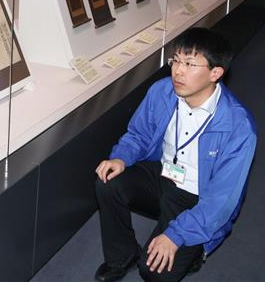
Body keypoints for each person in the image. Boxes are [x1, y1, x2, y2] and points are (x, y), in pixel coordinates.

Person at [93, 27, 256, 282]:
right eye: (176, 60)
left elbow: (221, 200)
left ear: (215, 73)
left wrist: (175, 236)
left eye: (189, 64)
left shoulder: (238, 127)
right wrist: (121, 158)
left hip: (198, 197)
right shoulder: (162, 91)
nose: (178, 71)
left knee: (154, 273)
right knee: (108, 181)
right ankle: (122, 256)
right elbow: (139, 134)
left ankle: (195, 250)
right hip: (164, 174)